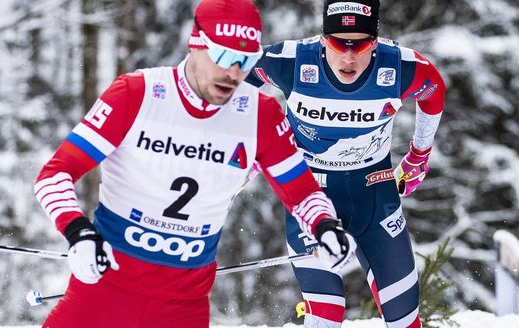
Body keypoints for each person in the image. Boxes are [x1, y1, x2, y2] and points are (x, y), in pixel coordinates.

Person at [33, 0, 357, 327]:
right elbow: (54, 175)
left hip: (182, 307)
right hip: (104, 293)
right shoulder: (136, 93)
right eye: (224, 56)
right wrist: (78, 232)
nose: (233, 73)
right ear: (196, 44)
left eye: (245, 61)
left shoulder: (259, 114)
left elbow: (301, 193)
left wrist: (325, 227)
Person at [245, 0, 446, 327]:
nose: (349, 56)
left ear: (375, 42)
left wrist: (419, 155)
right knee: (326, 316)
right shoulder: (292, 61)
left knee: (405, 318)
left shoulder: (401, 68)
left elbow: (433, 92)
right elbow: (236, 73)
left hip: (374, 193)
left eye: (360, 44)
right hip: (310, 196)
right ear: (324, 39)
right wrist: (248, 143)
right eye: (339, 43)